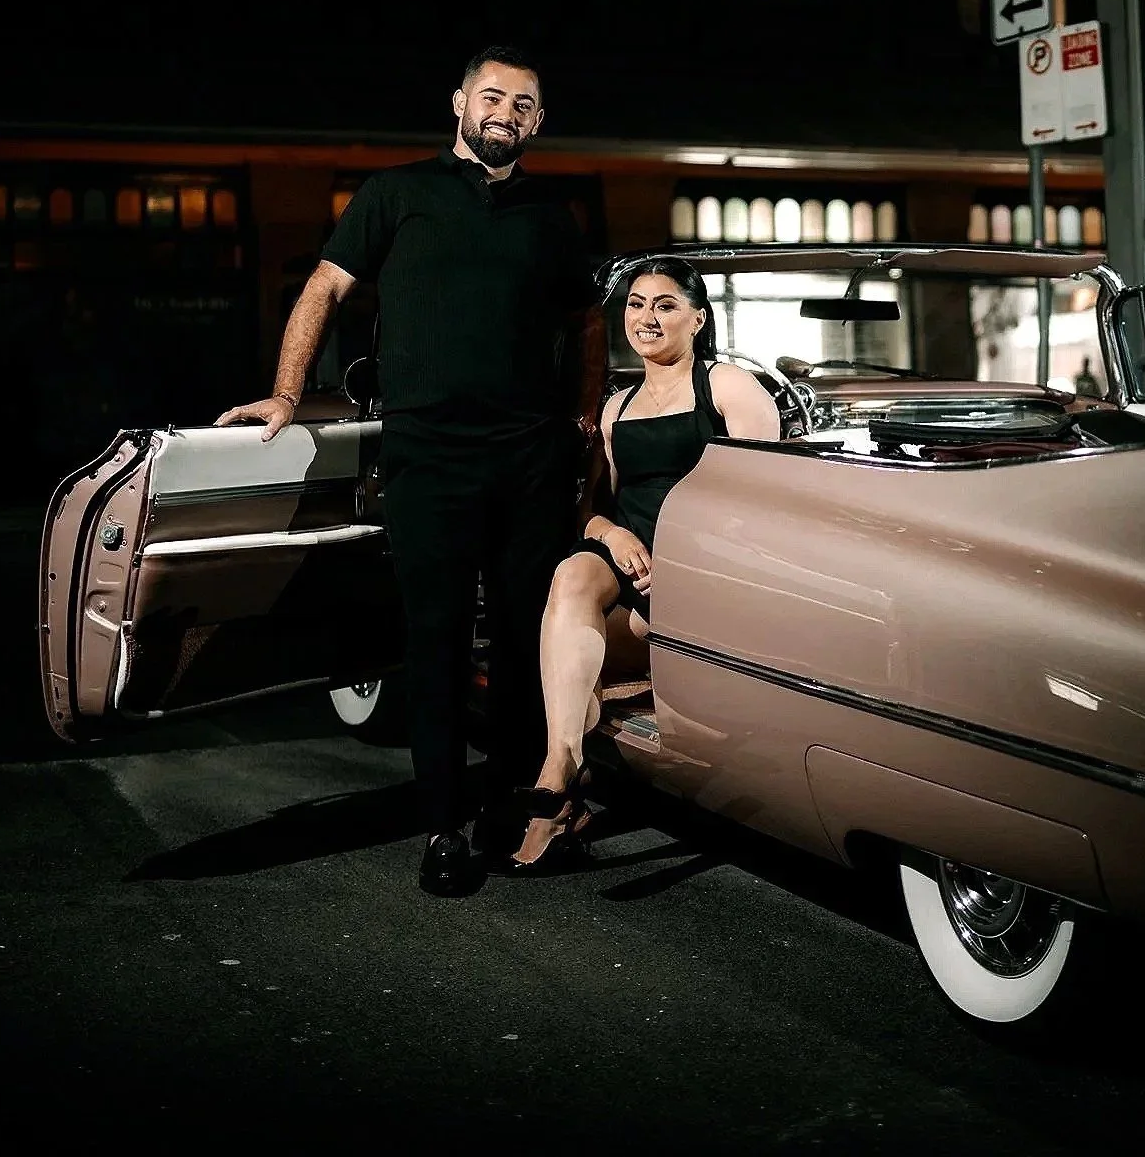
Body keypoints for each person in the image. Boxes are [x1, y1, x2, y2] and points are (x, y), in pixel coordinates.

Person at [216, 45, 601, 897]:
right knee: (430, 641)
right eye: (492, 95)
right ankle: (442, 827)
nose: (506, 111)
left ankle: (507, 808)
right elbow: (321, 289)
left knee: (518, 637)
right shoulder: (396, 193)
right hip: (427, 453)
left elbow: (586, 318)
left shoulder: (551, 212)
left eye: (525, 103)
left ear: (539, 123)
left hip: (531, 455)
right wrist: (286, 394)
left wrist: (582, 409)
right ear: (459, 102)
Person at [510, 258, 778, 870]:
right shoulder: (616, 406)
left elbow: (768, 510)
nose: (647, 317)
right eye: (635, 304)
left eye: (665, 305)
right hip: (634, 581)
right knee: (571, 574)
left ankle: (558, 796)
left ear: (698, 318)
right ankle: (561, 767)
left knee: (562, 661)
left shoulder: (728, 388)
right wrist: (614, 534)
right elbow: (587, 510)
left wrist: (684, 558)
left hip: (707, 589)